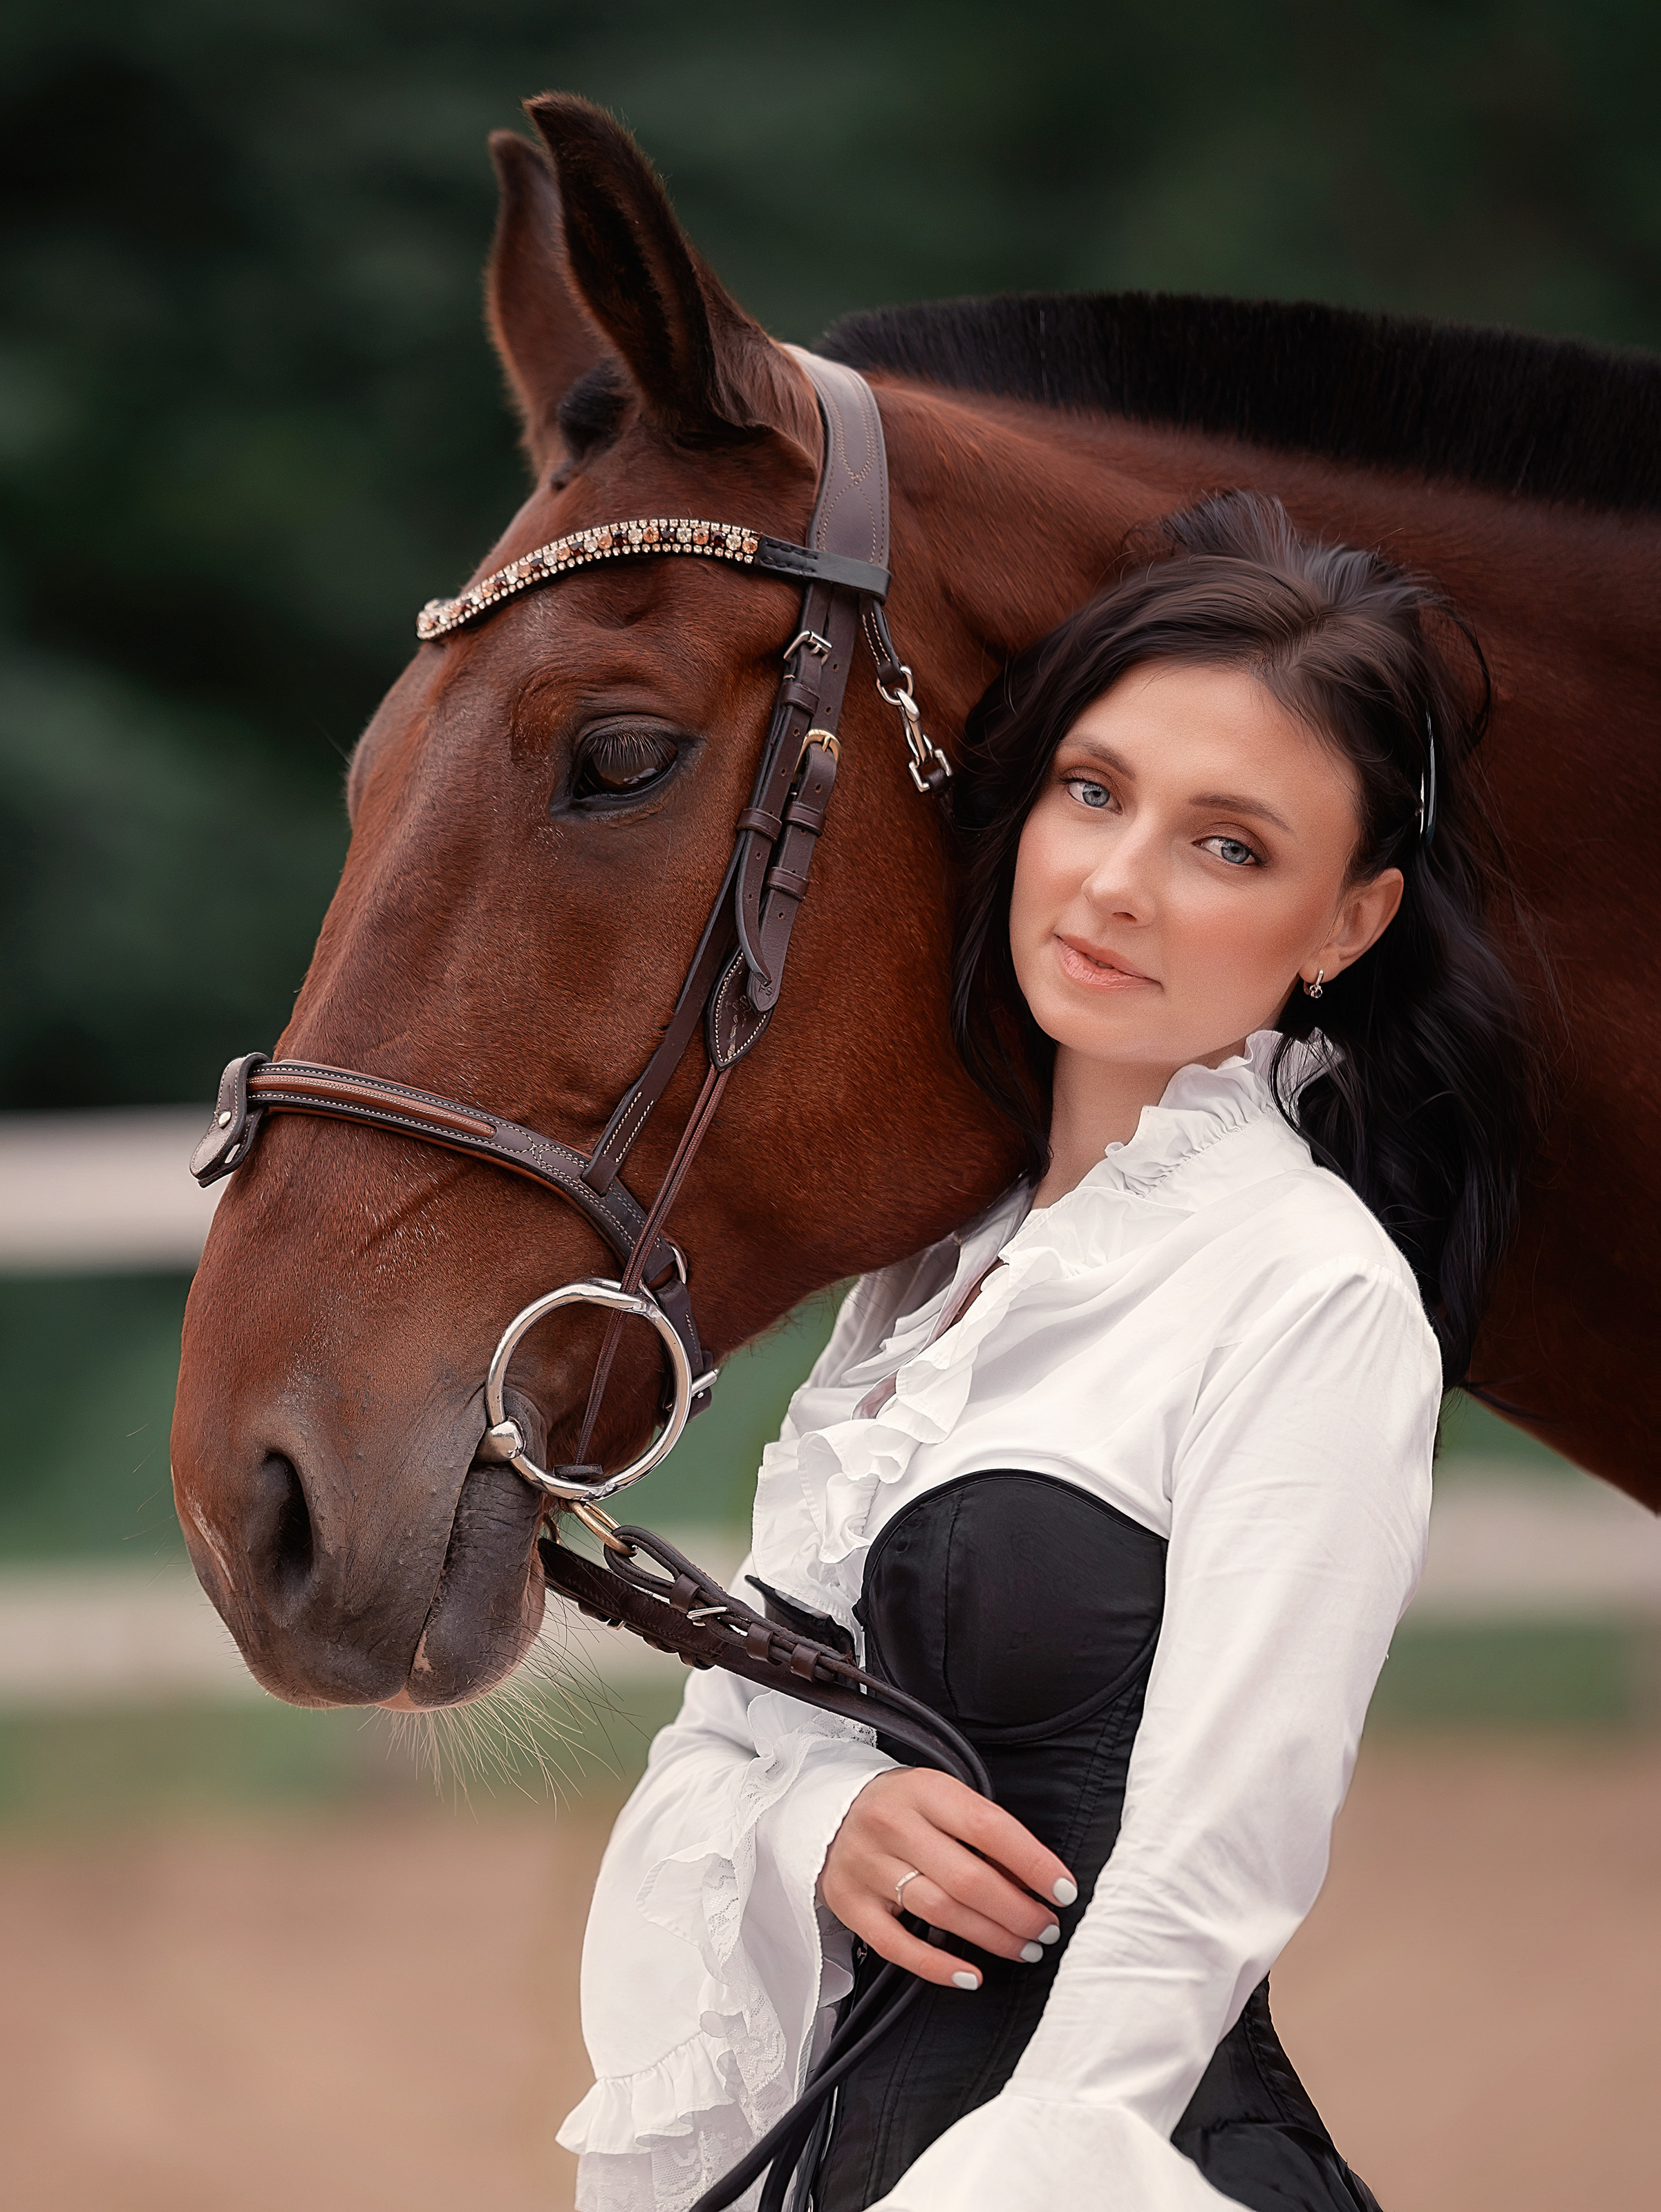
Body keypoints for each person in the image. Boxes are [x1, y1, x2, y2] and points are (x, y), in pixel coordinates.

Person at [557, 491, 1535, 2212]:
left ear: (1345, 923)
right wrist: (820, 1829)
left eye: (1226, 845)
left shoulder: (1305, 1291)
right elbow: (731, 1744)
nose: (1113, 880)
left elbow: (1208, 1870)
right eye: (1094, 791)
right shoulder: (929, 1280)